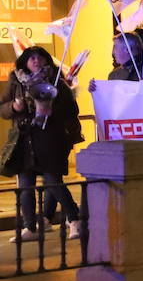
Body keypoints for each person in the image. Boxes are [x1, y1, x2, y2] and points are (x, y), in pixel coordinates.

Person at [1, 46, 83, 241]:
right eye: (31, 58)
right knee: (26, 186)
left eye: (39, 57)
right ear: (24, 63)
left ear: (46, 60)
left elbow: (72, 109)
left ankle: (74, 220)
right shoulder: (16, 83)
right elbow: (2, 108)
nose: (35, 61)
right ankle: (29, 227)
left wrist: (51, 110)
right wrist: (13, 107)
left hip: (49, 139)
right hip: (25, 140)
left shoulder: (57, 82)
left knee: (53, 182)